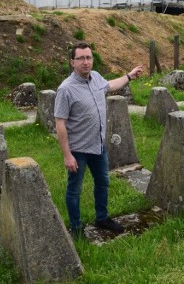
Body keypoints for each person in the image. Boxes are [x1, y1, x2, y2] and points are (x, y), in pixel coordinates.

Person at [54, 41, 143, 239]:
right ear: (72, 62)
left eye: (89, 57)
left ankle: (102, 218)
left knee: (103, 182)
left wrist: (129, 76)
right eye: (81, 58)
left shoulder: (96, 78)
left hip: (98, 146)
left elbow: (110, 85)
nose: (86, 62)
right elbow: (60, 123)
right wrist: (67, 155)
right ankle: (76, 229)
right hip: (78, 150)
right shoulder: (65, 89)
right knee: (74, 190)